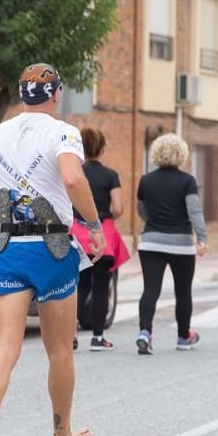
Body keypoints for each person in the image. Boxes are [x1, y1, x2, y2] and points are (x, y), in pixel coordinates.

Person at [0, 63, 105, 436]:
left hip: (7, 246)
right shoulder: (62, 133)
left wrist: (12, 200)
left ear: (23, 95)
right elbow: (73, 179)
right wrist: (93, 226)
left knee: (5, 347)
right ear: (55, 94)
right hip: (51, 247)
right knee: (59, 350)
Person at [135, 133, 208, 355]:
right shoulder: (187, 181)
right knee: (183, 291)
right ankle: (183, 336)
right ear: (181, 155)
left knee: (150, 289)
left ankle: (144, 332)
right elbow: (194, 211)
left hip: (150, 243)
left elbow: (141, 209)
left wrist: (155, 222)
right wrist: (202, 237)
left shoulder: (146, 180)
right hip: (181, 245)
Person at [70, 126, 130, 351]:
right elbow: (118, 208)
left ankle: (71, 334)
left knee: (79, 285)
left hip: (77, 236)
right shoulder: (110, 176)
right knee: (101, 287)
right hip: (102, 237)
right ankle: (97, 337)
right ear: (102, 149)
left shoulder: (74, 174)